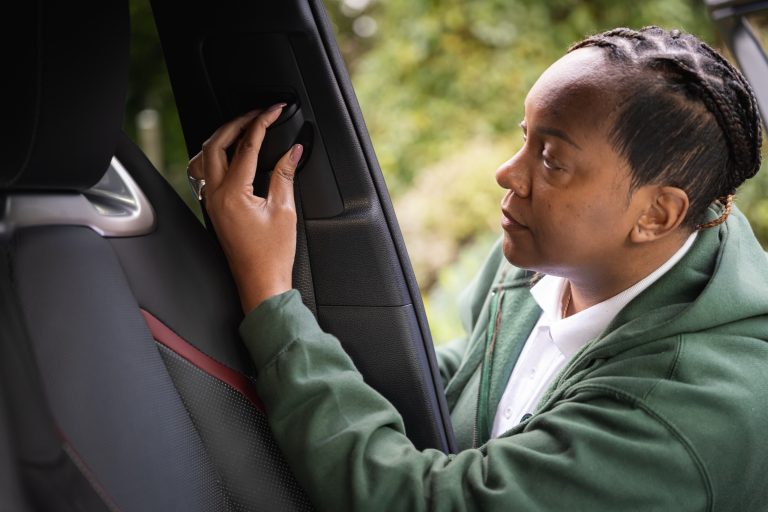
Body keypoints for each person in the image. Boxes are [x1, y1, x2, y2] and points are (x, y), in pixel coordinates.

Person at [187, 26, 768, 511]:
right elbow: (468, 378)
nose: (507, 173)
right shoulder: (550, 260)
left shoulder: (681, 414)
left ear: (657, 213)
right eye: (525, 137)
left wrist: (269, 296)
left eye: (552, 160)